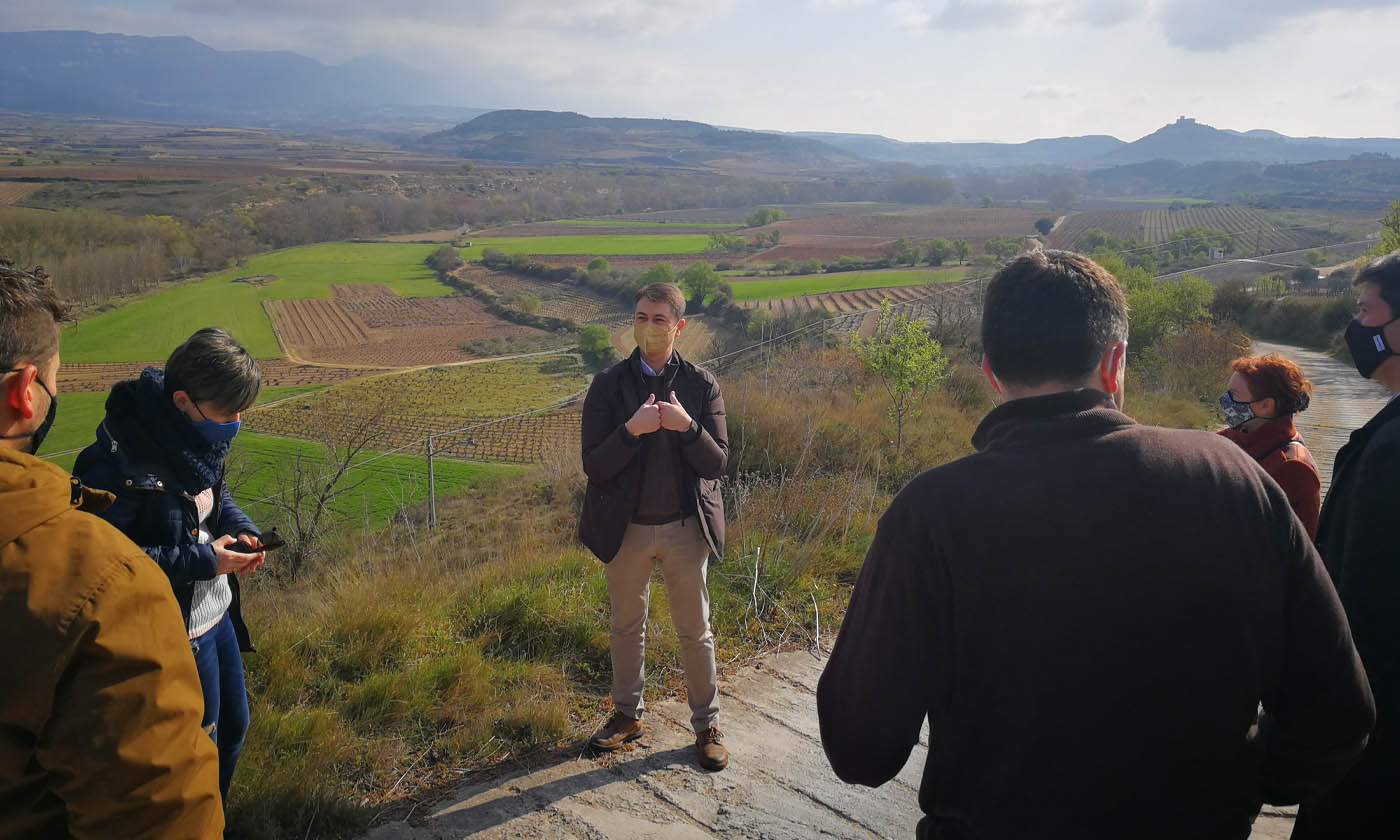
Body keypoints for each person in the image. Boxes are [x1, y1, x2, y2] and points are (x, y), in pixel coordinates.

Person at [817, 250, 1375, 840]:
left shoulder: (932, 511)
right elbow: (1337, 715)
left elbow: (860, 749)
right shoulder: (1234, 478)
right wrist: (1241, 785)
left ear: (990, 372)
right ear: (1114, 362)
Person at [0, 257, 223, 837]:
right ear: (24, 393)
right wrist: (208, 558)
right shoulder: (97, 582)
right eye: (53, 381)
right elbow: (163, 817)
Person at [75, 327, 267, 804]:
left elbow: (214, 497)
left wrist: (242, 529)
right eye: (228, 412)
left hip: (216, 614)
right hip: (175, 630)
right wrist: (206, 560)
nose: (236, 422)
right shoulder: (116, 463)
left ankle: (215, 819)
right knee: (197, 749)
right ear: (182, 400)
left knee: (234, 731)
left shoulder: (196, 441)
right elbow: (109, 564)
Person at [578, 282, 729, 771]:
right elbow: (595, 465)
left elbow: (716, 463)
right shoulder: (607, 386)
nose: (648, 327)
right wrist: (631, 430)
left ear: (679, 326)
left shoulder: (702, 385)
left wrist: (687, 427)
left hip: (686, 530)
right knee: (627, 626)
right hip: (627, 531)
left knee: (695, 631)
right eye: (641, 317)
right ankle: (627, 715)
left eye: (659, 319)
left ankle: (707, 726)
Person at [1293, 250, 1400, 838]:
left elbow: (1365, 609)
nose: (1355, 326)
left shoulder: (1391, 452)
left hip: (1376, 747)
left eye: (1366, 312)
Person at [1217, 353, 1321, 537]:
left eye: (1234, 395)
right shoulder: (1236, 436)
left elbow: (1299, 544)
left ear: (1266, 406)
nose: (1225, 400)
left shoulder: (1293, 468)